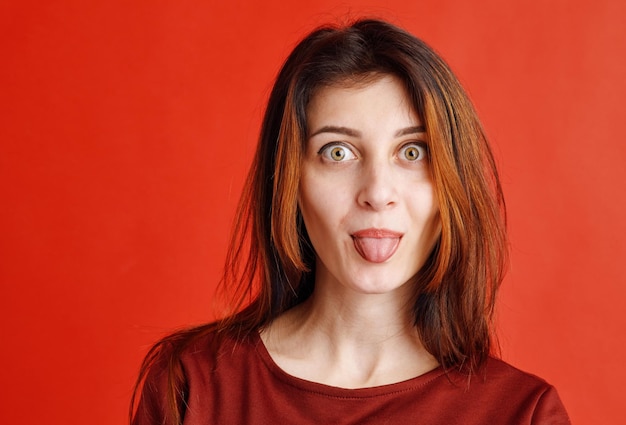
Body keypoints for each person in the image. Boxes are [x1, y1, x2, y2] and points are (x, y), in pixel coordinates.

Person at [130, 18, 570, 424]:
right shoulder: (193, 387)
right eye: (337, 152)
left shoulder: (521, 412)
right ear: (290, 181)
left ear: (451, 187)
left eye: (412, 152)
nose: (377, 193)